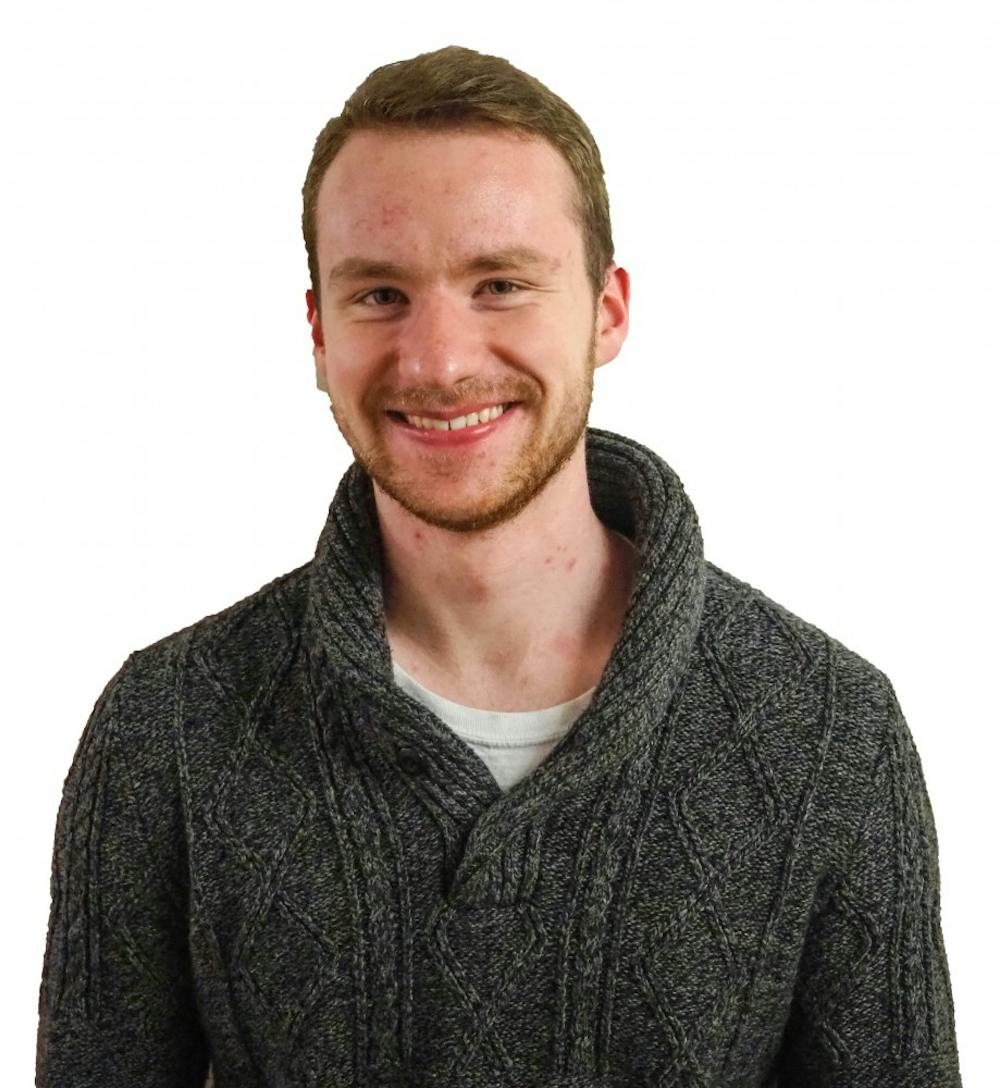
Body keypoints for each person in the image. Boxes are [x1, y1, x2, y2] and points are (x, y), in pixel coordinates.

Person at [36, 44, 963, 1088]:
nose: (439, 359)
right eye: (379, 294)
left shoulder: (830, 733)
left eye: (501, 284)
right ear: (318, 332)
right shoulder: (167, 729)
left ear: (607, 310)